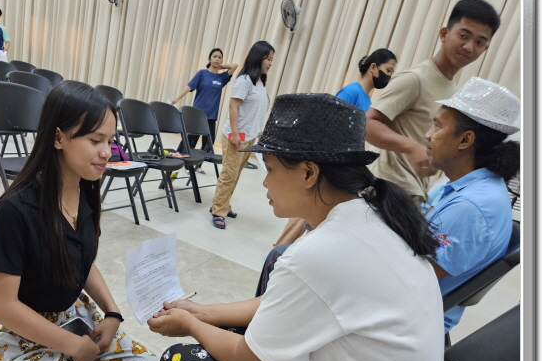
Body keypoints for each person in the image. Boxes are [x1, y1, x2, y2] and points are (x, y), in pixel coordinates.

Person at [149, 93, 444, 361]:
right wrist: (204, 312)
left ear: (308, 173)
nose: (264, 182)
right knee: (235, 328)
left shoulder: (321, 253)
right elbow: (282, 303)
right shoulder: (372, 217)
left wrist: (191, 325)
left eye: (271, 168)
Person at [0, 81, 159, 361]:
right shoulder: (16, 210)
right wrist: (74, 345)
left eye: (111, 141)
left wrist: (112, 313)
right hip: (20, 332)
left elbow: (80, 259)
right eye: (95, 140)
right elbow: (0, 305)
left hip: (71, 315)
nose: (107, 152)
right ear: (58, 137)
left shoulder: (86, 189)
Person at [366, 0, 501, 205]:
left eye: (479, 42)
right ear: (444, 34)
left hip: (414, 194)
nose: (469, 47)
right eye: (463, 36)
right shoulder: (416, 79)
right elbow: (367, 124)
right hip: (388, 189)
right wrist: (411, 147)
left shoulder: (453, 89)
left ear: (485, 49)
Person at [273, 48, 398, 247]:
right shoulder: (352, 92)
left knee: (315, 220)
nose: (388, 76)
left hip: (342, 165)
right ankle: (277, 256)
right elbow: (328, 125)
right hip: (328, 163)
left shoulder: (366, 99)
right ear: (373, 68)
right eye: (388, 70)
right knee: (303, 217)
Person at [424, 77, 520, 334]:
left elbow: (412, 279)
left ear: (465, 140)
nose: (428, 135)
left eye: (437, 126)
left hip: (412, 319)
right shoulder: (474, 186)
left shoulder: (471, 208)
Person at [210, 40, 274, 229]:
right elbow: (233, 107)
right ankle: (218, 211)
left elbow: (255, 110)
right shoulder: (244, 81)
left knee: (235, 174)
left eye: (272, 59)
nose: (270, 63)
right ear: (258, 58)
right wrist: (236, 134)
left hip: (250, 137)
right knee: (228, 175)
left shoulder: (260, 82)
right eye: (268, 59)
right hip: (235, 137)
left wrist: (258, 130)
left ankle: (222, 204)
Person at [171, 48, 237, 174]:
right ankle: (187, 166)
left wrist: (221, 66)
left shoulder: (222, 78)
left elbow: (235, 66)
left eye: (219, 57)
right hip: (197, 115)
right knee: (191, 141)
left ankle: (198, 165)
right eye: (214, 56)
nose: (217, 59)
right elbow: (189, 87)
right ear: (209, 59)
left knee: (208, 143)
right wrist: (176, 98)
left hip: (211, 116)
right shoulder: (202, 73)